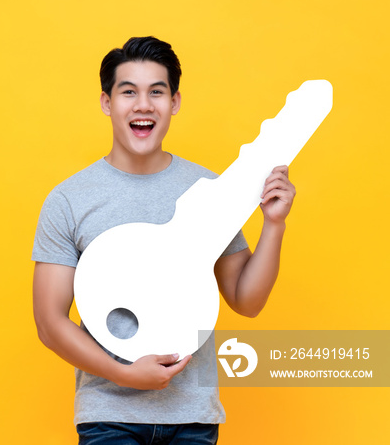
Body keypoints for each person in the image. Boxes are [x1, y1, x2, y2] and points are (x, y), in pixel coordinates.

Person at [31, 36, 296, 444]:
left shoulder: (209, 190)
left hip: (193, 417)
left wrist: (274, 224)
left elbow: (247, 301)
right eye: (128, 92)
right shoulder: (69, 200)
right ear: (107, 103)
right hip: (108, 416)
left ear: (174, 102)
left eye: (157, 91)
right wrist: (123, 373)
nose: (143, 104)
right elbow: (50, 323)